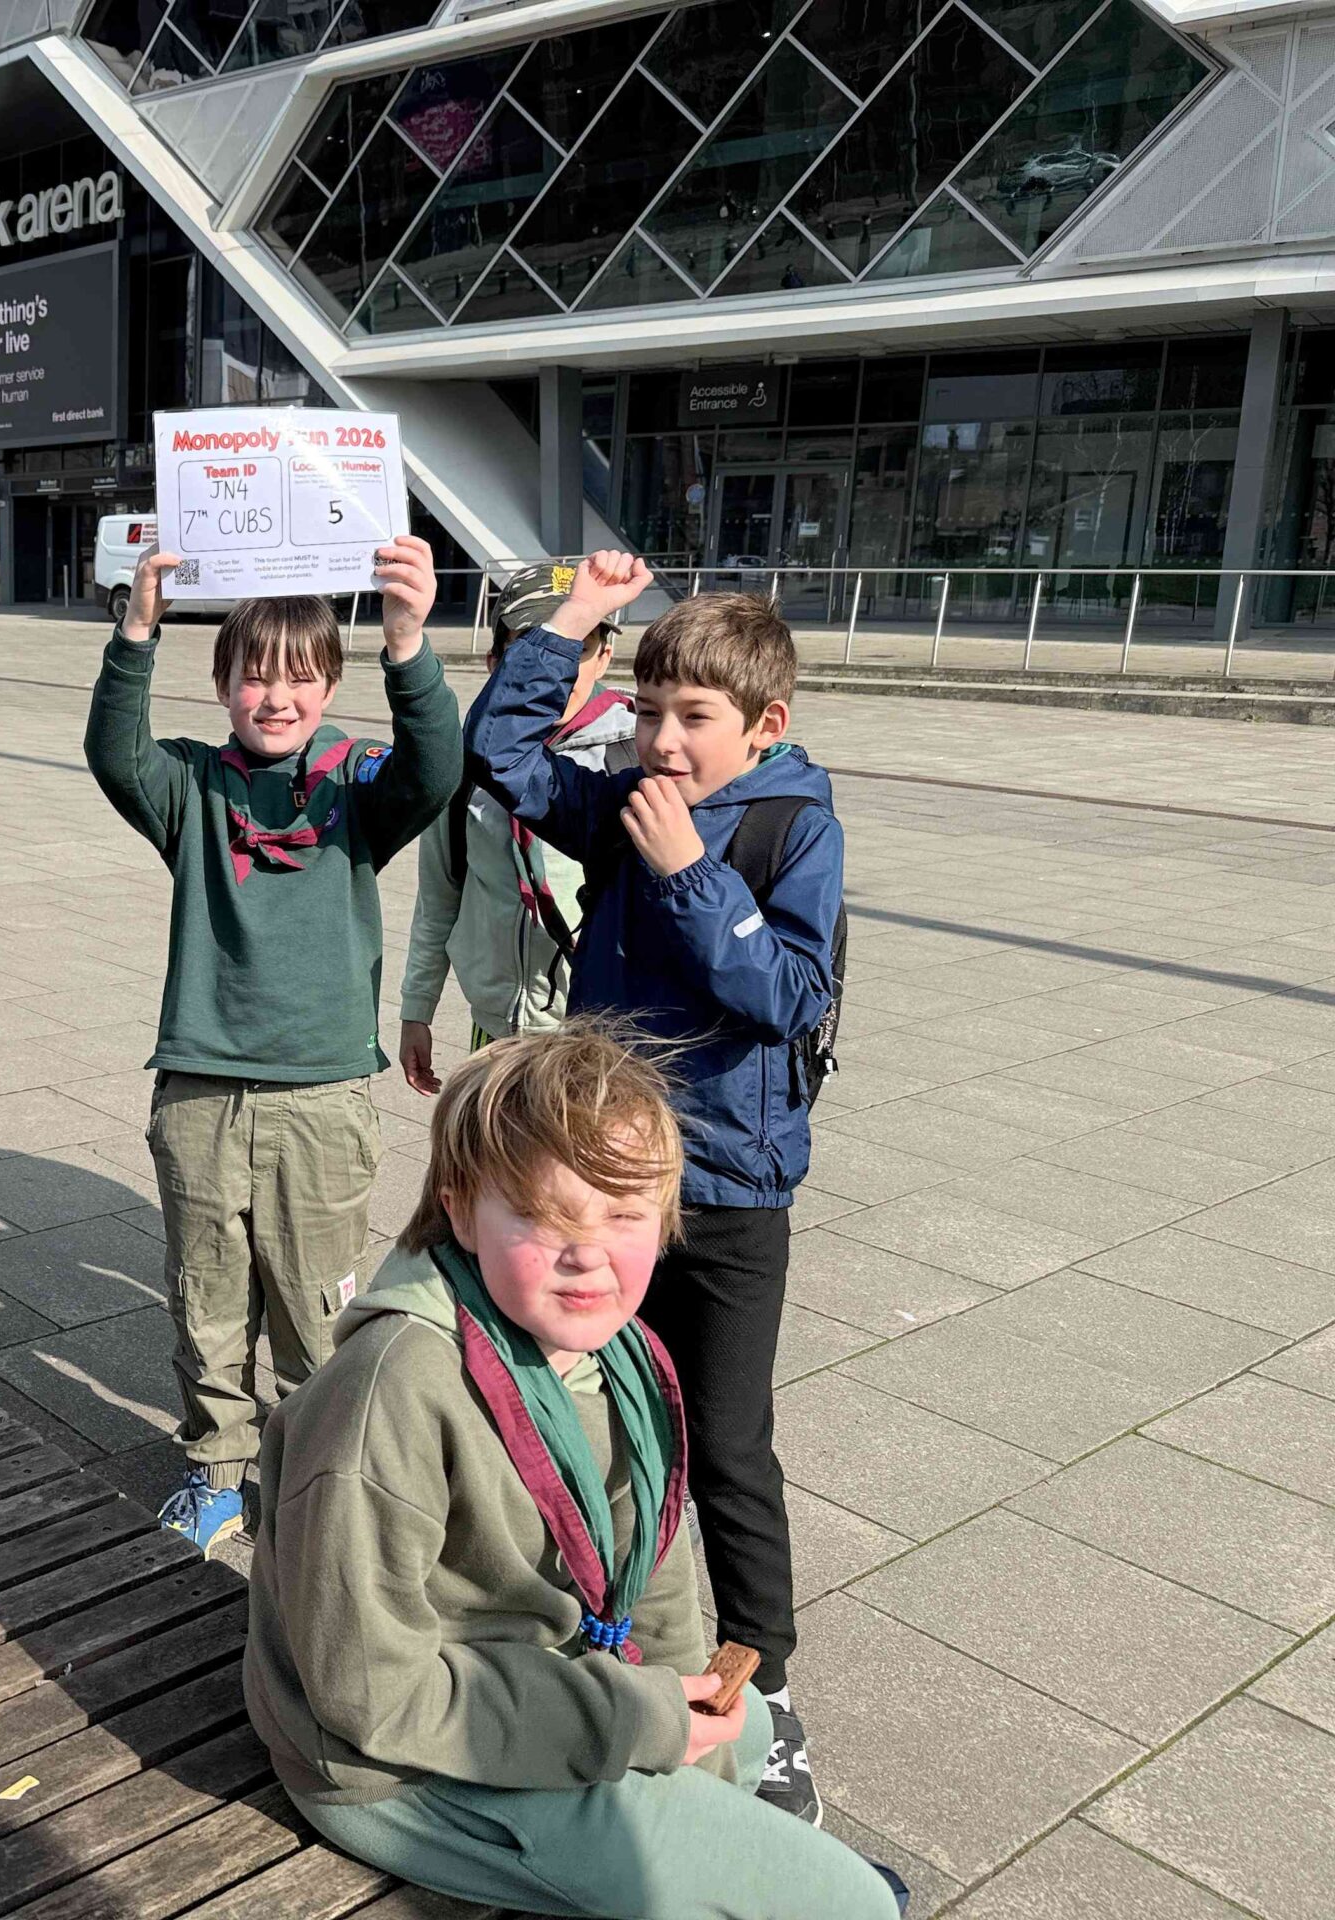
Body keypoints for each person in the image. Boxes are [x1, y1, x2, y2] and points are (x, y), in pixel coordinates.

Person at [243, 1026, 905, 1920]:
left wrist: (678, 1728)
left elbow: (652, 1580)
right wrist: (635, 1724)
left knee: (744, 1733)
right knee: (855, 1905)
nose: (587, 1252)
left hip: (538, 1687)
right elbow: (369, 1694)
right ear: (460, 1210)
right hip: (398, 1766)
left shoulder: (623, 1358)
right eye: (542, 1214)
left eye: (624, 1215)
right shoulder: (389, 1393)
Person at [469, 554, 844, 1825]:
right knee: (597, 1414)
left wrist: (690, 873)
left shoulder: (794, 827)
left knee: (726, 1444)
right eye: (647, 711)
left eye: (693, 717)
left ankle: (766, 1696)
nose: (662, 741)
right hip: (606, 1179)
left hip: (729, 1193)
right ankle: (612, 1631)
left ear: (765, 725)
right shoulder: (628, 798)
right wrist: (576, 618)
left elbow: (787, 996)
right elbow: (501, 757)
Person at [84, 538, 461, 1557]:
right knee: (205, 1295)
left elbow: (435, 771)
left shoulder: (357, 785)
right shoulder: (192, 786)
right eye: (254, 676)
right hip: (201, 1088)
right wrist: (137, 628)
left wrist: (408, 642)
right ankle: (214, 1469)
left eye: (299, 676)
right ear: (222, 687)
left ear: (329, 684)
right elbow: (116, 754)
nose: (276, 696)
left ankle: (310, 1475)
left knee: (315, 1306)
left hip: (321, 1094)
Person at [398, 563, 637, 1096]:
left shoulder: (633, 758)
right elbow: (439, 897)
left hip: (600, 1034)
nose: (561, 668)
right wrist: (418, 1007)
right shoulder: (467, 764)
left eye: (579, 646)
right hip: (496, 1026)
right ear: (496, 662)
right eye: (534, 646)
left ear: (605, 655)